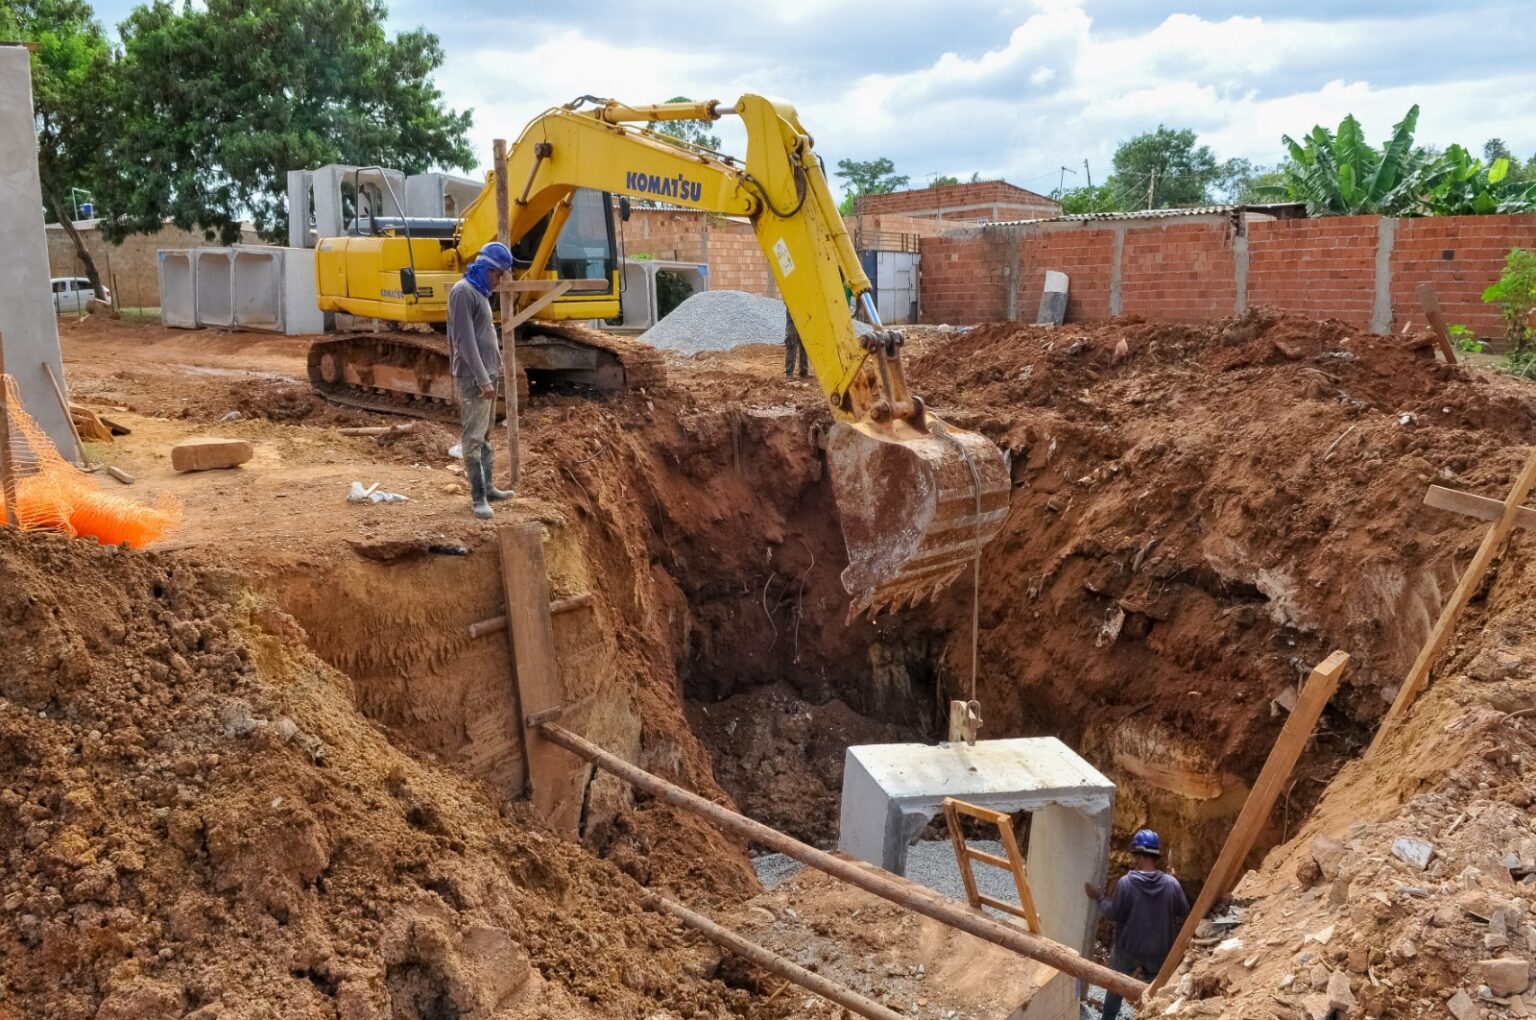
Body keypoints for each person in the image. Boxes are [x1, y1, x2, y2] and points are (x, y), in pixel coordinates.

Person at [1083, 829, 1189, 1020]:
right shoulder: (1171, 884)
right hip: (1159, 952)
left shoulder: (1126, 883)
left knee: (1115, 987)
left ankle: (1108, 1018)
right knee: (1156, 995)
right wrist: (1172, 883)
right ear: (1156, 856)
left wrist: (1098, 897)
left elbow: (1112, 914)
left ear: (1138, 856)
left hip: (1127, 950)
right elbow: (1185, 913)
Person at [448, 241, 516, 520]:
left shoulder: (480, 291)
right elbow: (464, 341)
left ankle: (488, 488)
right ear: (488, 269)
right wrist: (482, 380)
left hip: (488, 373)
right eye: (498, 275)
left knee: (486, 434)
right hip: (475, 377)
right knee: (474, 437)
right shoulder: (463, 293)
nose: (499, 281)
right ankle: (478, 499)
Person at [784, 306, 809, 379]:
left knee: (804, 345)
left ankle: (804, 371)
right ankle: (789, 372)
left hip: (803, 319)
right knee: (791, 344)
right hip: (792, 321)